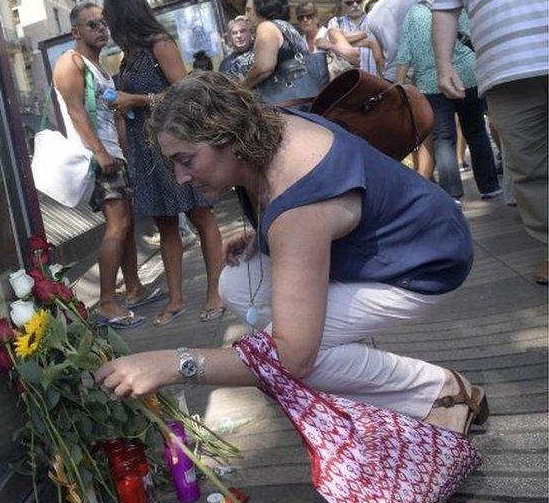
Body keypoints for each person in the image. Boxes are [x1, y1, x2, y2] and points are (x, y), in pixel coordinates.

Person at [96, 72, 486, 438]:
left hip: (427, 262)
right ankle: (344, 372)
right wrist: (266, 237)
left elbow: (291, 355)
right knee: (238, 285)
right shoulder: (264, 126)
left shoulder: (297, 209)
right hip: (394, 236)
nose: (181, 178)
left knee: (293, 359)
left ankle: (440, 392)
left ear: (227, 137)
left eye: (186, 160)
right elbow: (297, 208)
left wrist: (171, 364)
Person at [102, 0, 225, 326]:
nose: (108, 27)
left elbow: (184, 92)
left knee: (201, 216)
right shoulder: (127, 56)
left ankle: (216, 292)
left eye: (109, 19)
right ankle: (176, 299)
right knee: (166, 223)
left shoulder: (159, 43)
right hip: (145, 150)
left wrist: (137, 100)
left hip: (176, 143)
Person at [433, 0, 548, 283]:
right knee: (528, 168)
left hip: (507, 67)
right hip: (504, 70)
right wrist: (443, 65)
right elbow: (445, 7)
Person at [52, 2, 155, 328]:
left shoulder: (99, 68)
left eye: (103, 24)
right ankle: (108, 302)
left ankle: (134, 287)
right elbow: (75, 111)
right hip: (99, 157)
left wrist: (121, 153)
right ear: (76, 31)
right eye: (92, 24)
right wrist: (101, 153)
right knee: (117, 226)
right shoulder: (71, 62)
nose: (101, 29)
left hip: (114, 156)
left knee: (125, 225)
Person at [395, 0, 501, 202]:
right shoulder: (457, 8)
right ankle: (489, 187)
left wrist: (399, 84)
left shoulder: (414, 14)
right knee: (476, 131)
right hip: (466, 77)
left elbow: (404, 53)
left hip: (431, 82)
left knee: (443, 139)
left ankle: (453, 194)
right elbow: (476, 36)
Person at [240, 0, 322, 104]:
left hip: (287, 106)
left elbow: (263, 68)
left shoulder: (266, 27)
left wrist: (242, 87)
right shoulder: (286, 27)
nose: (245, 17)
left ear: (263, 7)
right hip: (305, 100)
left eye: (248, 10)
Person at [366, 0, 425, 82]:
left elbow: (378, 58)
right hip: (423, 75)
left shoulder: (372, 14)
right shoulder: (422, 1)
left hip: (392, 77)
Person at [326, 0, 383, 75]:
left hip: (372, 82)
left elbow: (382, 48)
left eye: (358, 1)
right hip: (346, 83)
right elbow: (334, 40)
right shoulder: (335, 22)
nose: (355, 5)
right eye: (350, 3)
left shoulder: (375, 21)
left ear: (363, 1)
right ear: (343, 5)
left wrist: (343, 40)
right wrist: (367, 37)